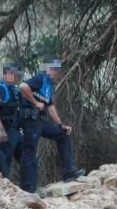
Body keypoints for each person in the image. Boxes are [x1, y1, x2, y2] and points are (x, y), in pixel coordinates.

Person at [18, 56, 85, 194]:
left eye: (57, 70)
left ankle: (69, 172)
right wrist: (35, 103)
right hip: (31, 121)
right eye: (54, 69)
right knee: (29, 152)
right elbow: (23, 87)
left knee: (62, 135)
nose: (56, 72)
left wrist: (61, 125)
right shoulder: (39, 78)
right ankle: (28, 189)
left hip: (40, 121)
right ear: (47, 69)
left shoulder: (48, 84)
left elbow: (50, 106)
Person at [0, 63, 23, 175]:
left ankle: (29, 189)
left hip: (15, 131)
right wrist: (1, 129)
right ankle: (3, 188)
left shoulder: (13, 89)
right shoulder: (0, 88)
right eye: (17, 75)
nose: (19, 78)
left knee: (26, 159)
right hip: (5, 132)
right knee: (4, 162)